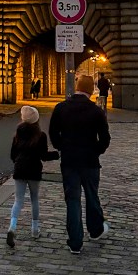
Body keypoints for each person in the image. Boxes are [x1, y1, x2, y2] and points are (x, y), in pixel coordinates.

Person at [49, 73, 111, 254]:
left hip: (69, 161)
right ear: (91, 90)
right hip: (90, 161)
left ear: (76, 88)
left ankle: (75, 242)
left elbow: (54, 134)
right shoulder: (96, 111)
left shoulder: (61, 108)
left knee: (73, 200)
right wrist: (96, 150)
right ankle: (95, 230)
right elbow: (105, 138)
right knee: (92, 196)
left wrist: (63, 148)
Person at [7, 105, 58, 247]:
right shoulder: (40, 135)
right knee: (34, 199)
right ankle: (35, 229)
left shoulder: (17, 134)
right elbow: (44, 156)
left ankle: (12, 226)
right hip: (34, 170)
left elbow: (13, 155)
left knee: (18, 200)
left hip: (20, 169)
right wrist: (56, 154)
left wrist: (18, 162)